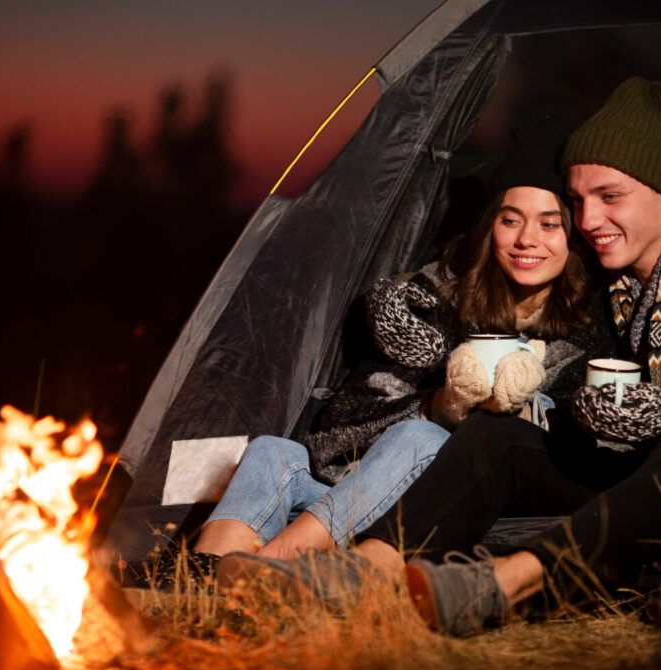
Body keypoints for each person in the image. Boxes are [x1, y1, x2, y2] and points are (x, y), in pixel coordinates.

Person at [216, 76, 661, 636]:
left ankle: (507, 580)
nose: (589, 221)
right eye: (579, 202)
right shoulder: (616, 284)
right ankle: (367, 569)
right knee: (496, 435)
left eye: (609, 198)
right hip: (623, 477)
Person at [160, 123, 614, 586]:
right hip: (364, 490)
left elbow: (561, 454)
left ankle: (264, 575)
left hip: (449, 511)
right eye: (510, 219)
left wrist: (502, 408)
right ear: (489, 225)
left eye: (550, 223)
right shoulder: (435, 301)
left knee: (416, 441)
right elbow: (341, 425)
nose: (526, 240)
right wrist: (439, 404)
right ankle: (201, 576)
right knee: (272, 453)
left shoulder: (585, 336)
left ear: (574, 235)